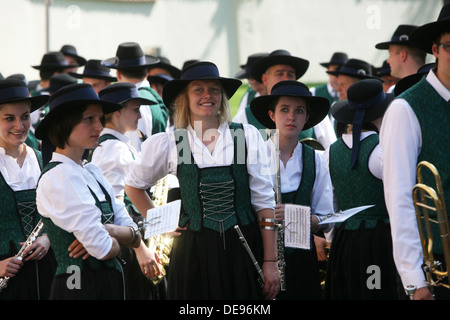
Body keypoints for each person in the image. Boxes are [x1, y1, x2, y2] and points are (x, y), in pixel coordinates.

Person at [124, 61, 280, 300]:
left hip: (242, 247)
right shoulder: (174, 142)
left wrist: (270, 261)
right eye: (198, 89)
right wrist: (160, 221)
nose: (207, 95)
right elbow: (134, 185)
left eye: (214, 89)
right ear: (185, 97)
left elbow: (264, 202)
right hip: (193, 251)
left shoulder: (244, 136)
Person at [34, 83, 142, 299]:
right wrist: (121, 241)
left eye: (100, 119)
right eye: (89, 119)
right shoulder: (58, 177)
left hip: (108, 284)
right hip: (78, 286)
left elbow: (132, 231)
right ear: (65, 123)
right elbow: (102, 248)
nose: (99, 127)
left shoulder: (92, 171)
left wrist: (111, 232)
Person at [380, 4, 450, 300]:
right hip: (438, 270)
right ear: (435, 49)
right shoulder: (405, 108)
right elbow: (400, 200)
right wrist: (414, 280)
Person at [250, 80, 334, 300]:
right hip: (261, 258)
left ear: (307, 118)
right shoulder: (254, 157)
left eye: (299, 111)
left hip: (302, 261)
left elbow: (326, 217)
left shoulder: (316, 159)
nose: (291, 117)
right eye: (284, 110)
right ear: (272, 115)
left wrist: (296, 217)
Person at [323, 79, 398, 300]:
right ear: (380, 114)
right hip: (378, 243)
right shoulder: (382, 150)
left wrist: (330, 240)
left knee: (350, 292)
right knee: (375, 292)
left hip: (344, 243)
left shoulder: (330, 152)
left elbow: (331, 204)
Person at [90, 82, 164, 299]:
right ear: (119, 111)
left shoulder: (115, 146)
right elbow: (116, 207)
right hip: (128, 240)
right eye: (135, 109)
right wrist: (140, 248)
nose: (140, 115)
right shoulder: (115, 149)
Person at [0, 79, 56, 300]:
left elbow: (63, 214)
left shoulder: (45, 160)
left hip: (48, 271)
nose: (20, 126)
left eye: (24, 116)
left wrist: (49, 238)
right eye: (9, 118)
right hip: (7, 277)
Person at [102, 42, 168, 152]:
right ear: (146, 72)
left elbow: (135, 152)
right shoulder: (154, 96)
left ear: (118, 74)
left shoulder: (133, 103)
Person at [327, 58, 379, 137]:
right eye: (338, 84)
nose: (338, 89)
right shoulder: (338, 111)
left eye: (343, 84)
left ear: (360, 86)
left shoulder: (378, 114)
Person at [375, 24, 426, 89]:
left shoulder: (396, 91)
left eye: (390, 54)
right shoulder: (435, 84)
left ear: (403, 55)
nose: (388, 60)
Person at [232, 52, 268, 120]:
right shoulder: (249, 96)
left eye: (258, 83)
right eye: (251, 84)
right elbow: (238, 123)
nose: (254, 88)